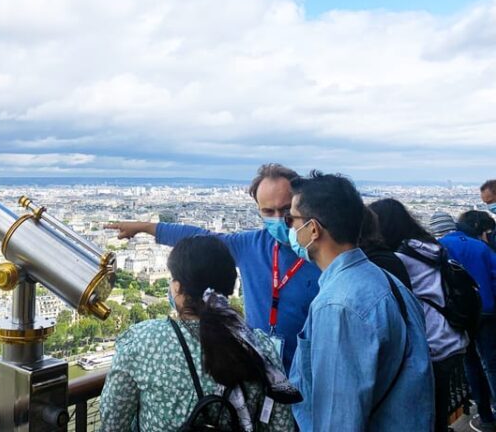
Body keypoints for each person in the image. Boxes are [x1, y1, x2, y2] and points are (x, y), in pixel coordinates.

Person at [105, 163, 320, 372]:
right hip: (260, 371)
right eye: (268, 211)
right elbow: (201, 238)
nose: (278, 219)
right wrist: (145, 228)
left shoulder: (322, 250)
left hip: (311, 375)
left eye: (284, 209)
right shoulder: (251, 244)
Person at [100, 235, 297, 431]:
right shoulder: (258, 345)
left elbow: (113, 423)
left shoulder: (142, 342)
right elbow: (281, 425)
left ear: (177, 287)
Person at [287, 172, 434, 431]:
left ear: (313, 228)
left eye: (292, 219)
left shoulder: (338, 305)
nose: (289, 228)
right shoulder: (386, 281)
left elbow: (338, 417)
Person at [369, 198, 468, 432]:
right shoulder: (428, 246)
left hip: (431, 343)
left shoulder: (399, 259)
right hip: (451, 336)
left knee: (425, 416)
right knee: (438, 409)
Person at [439, 211, 496, 432]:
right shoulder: (479, 246)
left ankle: (485, 416)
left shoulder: (438, 248)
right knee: (491, 362)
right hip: (488, 310)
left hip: (460, 314)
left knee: (470, 362)